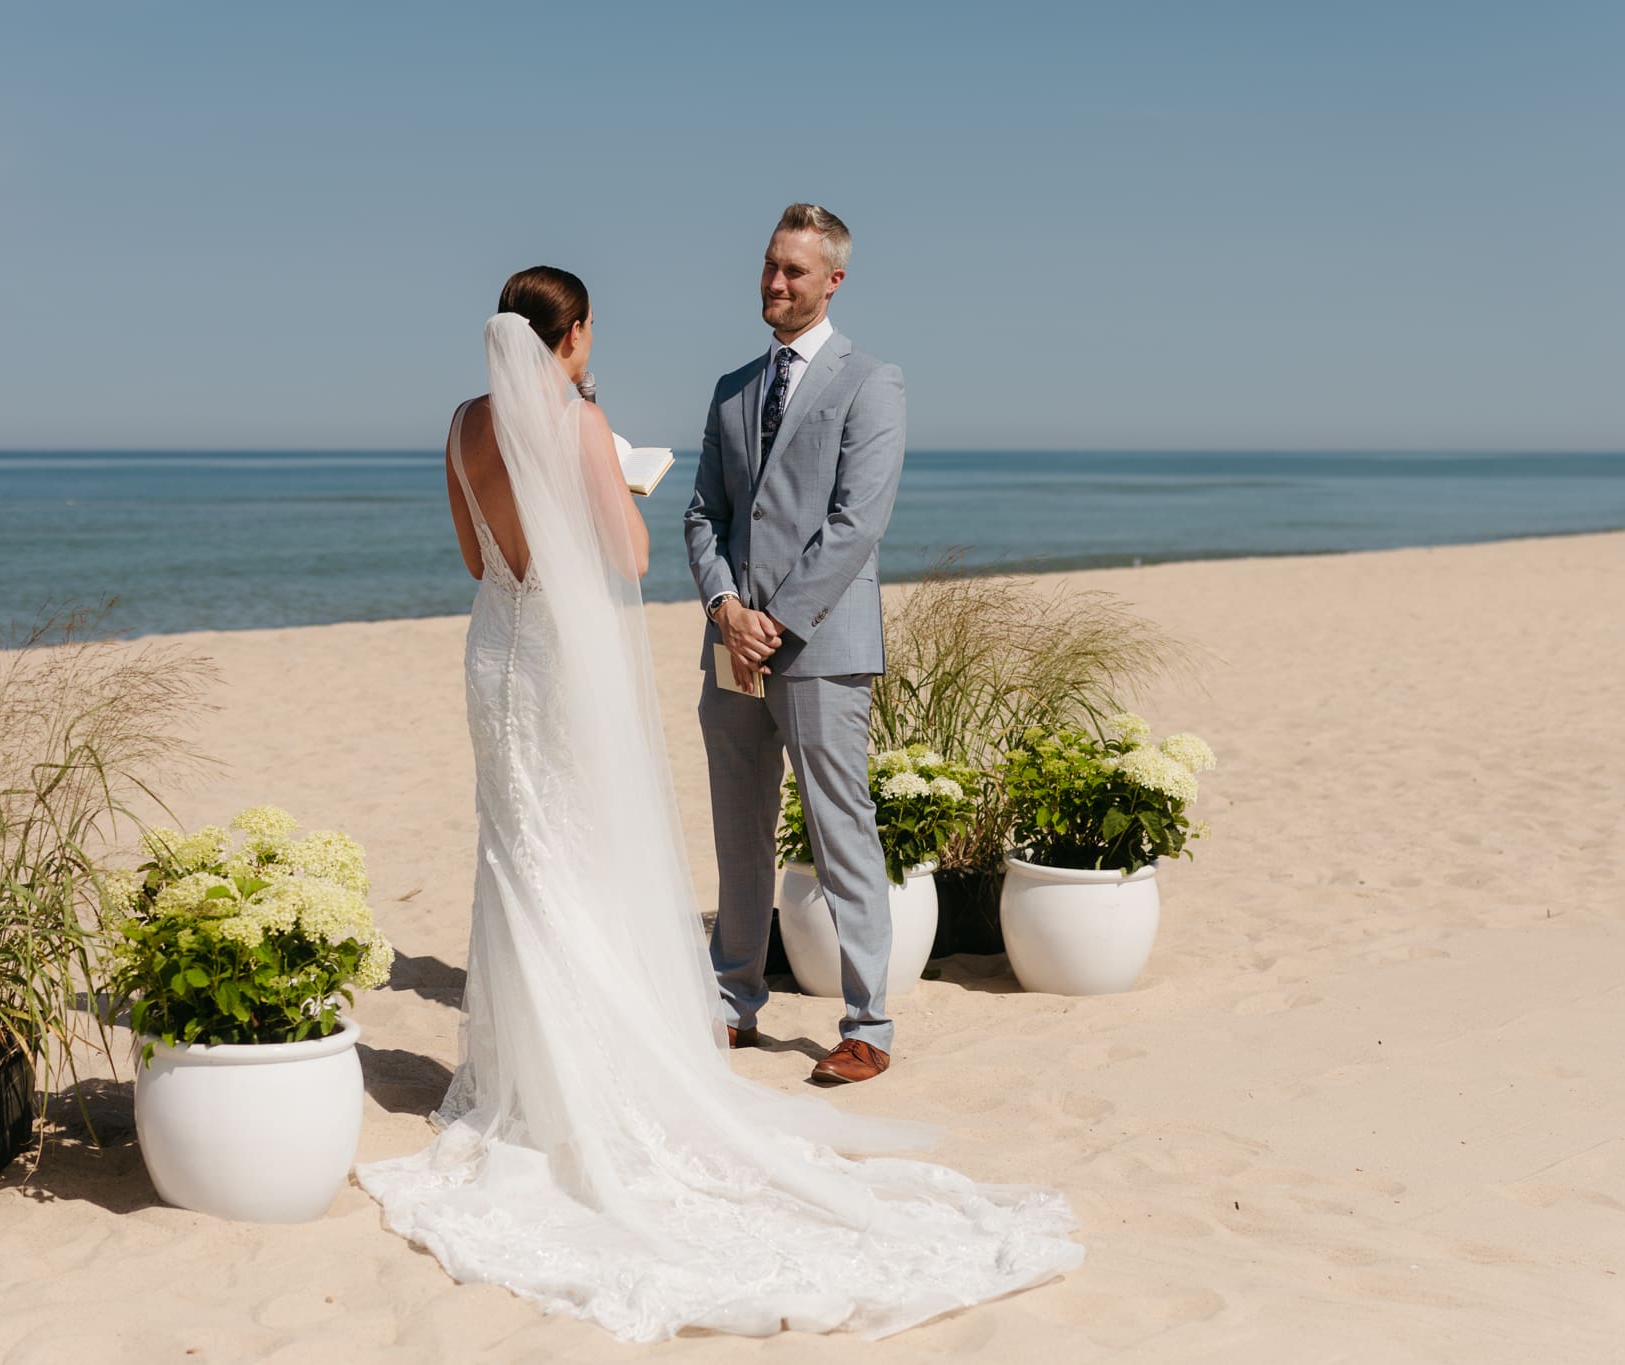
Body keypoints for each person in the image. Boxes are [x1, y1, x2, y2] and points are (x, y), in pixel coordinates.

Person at [355, 265, 1081, 1343]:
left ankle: (518, 1076)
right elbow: (633, 554)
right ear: (576, 334)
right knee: (576, 854)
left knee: (515, 853)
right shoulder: (574, 421)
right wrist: (614, 473)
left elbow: (475, 555)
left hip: (494, 647)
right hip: (557, 655)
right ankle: (590, 1078)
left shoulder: (464, 426)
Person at [685, 202, 906, 1084]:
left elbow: (857, 525)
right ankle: (733, 1003)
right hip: (732, 647)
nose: (776, 283)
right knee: (737, 835)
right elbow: (705, 513)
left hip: (821, 646)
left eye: (795, 272)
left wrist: (777, 621)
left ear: (833, 281)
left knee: (838, 828)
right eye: (771, 266)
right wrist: (726, 609)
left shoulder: (872, 380)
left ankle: (870, 1022)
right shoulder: (732, 386)